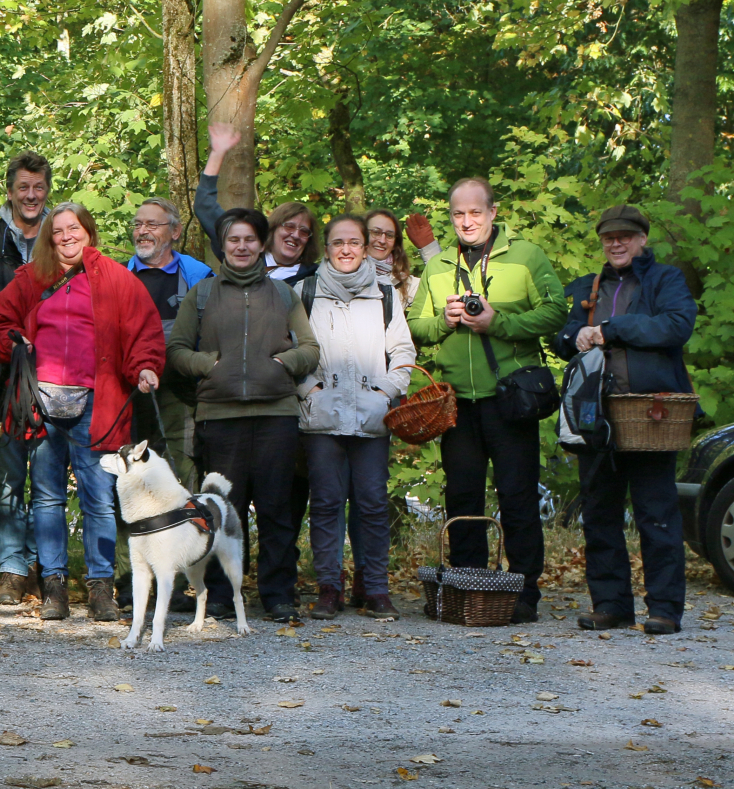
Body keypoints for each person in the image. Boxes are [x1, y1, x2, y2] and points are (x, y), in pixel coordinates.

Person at [0, 202, 162, 620]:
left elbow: (144, 333)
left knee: (99, 498)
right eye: (58, 231)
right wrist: (15, 342)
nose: (66, 237)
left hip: (98, 402)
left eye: (73, 228)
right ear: (49, 238)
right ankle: (54, 588)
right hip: (40, 401)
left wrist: (145, 367)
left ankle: (101, 590)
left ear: (88, 231)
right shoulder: (31, 278)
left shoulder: (118, 279)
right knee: (46, 497)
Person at [406, 177, 568, 623]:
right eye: (458, 214)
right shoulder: (439, 265)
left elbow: (556, 311)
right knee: (462, 498)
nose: (467, 221)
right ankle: (469, 589)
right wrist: (444, 320)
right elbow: (414, 327)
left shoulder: (526, 255)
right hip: (457, 402)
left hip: (510, 399)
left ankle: (524, 594)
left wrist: (498, 322)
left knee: (517, 498)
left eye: (475, 212)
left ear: (493, 213)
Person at [165, 208, 320, 621]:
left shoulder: (283, 295)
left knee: (276, 510)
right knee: (221, 511)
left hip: (276, 415)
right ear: (223, 245)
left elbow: (310, 349)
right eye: (233, 239)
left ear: (261, 244)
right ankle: (219, 595)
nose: (241, 246)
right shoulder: (202, 295)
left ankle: (278, 595)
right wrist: (208, 364)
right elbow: (177, 350)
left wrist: (282, 363)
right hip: (220, 417)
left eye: (249, 239)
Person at [551, 205, 695, 636]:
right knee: (599, 512)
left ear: (642, 239)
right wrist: (574, 335)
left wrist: (612, 329)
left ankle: (665, 609)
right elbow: (561, 337)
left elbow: (675, 326)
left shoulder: (665, 280)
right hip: (595, 414)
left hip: (650, 414)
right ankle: (610, 605)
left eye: (625, 237)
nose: (616, 243)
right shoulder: (587, 285)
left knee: (657, 513)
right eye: (609, 237)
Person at [294, 214, 414, 621]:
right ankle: (329, 588)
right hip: (322, 418)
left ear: (365, 248)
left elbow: (403, 353)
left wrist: (384, 394)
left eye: (354, 243)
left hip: (371, 417)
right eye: (337, 242)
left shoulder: (385, 294)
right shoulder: (304, 291)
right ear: (326, 248)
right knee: (326, 503)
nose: (346, 249)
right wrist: (310, 392)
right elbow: (289, 350)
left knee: (373, 504)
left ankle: (374, 588)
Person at [0, 151, 52, 604]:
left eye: (38, 187)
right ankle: (12, 569)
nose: (31, 195)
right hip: (5, 379)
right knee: (8, 478)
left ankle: (46, 566)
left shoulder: (63, 237)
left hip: (57, 379)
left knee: (49, 478)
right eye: (24, 187)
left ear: (47, 190)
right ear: (10, 191)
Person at [125, 197, 212, 488]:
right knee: (134, 473)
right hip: (130, 394)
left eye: (152, 224)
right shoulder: (118, 277)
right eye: (138, 224)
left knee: (181, 470)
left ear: (175, 232)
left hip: (183, 394)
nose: (142, 231)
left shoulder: (199, 278)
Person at [194, 124, 318, 283]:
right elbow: (204, 206)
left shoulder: (315, 279)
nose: (295, 235)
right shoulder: (244, 254)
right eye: (289, 226)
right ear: (272, 229)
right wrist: (217, 153)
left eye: (304, 231)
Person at [363, 210, 418, 309]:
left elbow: (439, 288)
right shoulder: (344, 275)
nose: (382, 240)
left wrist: (428, 248)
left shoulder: (404, 283)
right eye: (376, 232)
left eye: (389, 235)